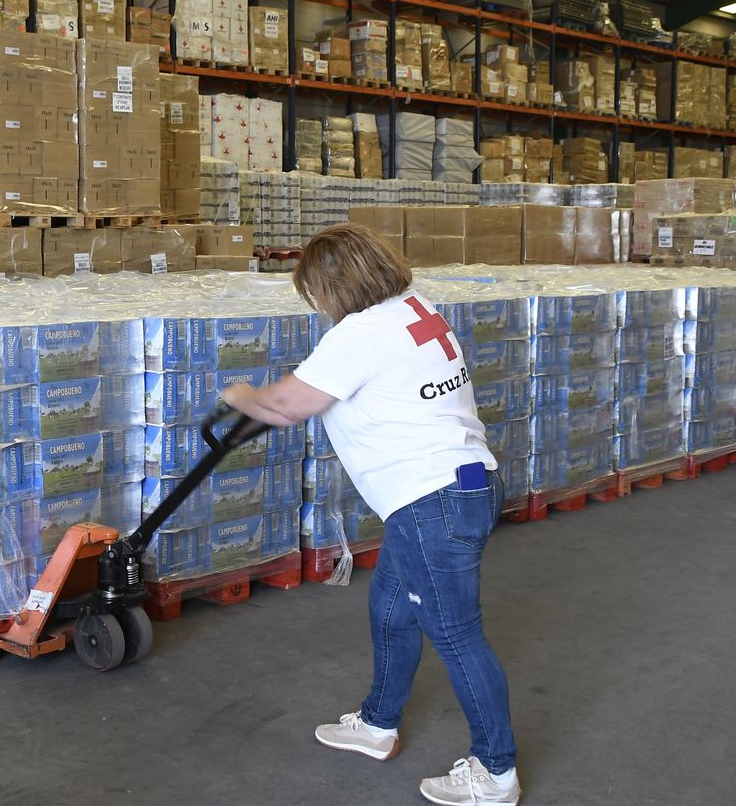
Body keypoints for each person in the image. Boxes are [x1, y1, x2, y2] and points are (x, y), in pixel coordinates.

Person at [222, 224, 520, 806]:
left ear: (332, 286)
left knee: (457, 636)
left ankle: (496, 771)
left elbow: (288, 406)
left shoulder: (359, 334)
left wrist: (240, 396)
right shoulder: (414, 309)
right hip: (461, 487)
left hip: (432, 502)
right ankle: (377, 724)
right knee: (391, 605)